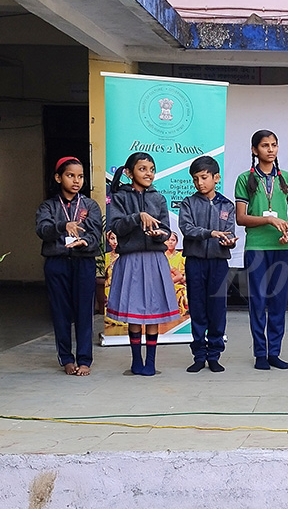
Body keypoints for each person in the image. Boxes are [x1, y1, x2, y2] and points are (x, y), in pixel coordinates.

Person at [107, 152, 180, 375]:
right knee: (135, 311)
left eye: (152, 169)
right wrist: (138, 216)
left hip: (155, 260)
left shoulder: (158, 198)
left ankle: (151, 362)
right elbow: (116, 227)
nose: (149, 173)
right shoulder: (119, 197)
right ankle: (136, 360)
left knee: (153, 311)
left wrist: (159, 234)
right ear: (129, 173)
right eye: (142, 169)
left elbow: (166, 230)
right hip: (131, 260)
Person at [235, 130, 288, 370]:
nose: (270, 149)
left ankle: (275, 352)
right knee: (258, 301)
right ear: (254, 150)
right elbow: (241, 218)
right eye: (265, 145)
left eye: (274, 145)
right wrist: (270, 220)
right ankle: (260, 353)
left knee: (279, 302)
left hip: (282, 247)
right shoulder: (245, 179)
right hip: (257, 247)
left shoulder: (287, 178)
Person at [35, 157, 103, 376]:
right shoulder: (48, 206)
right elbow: (42, 230)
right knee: (60, 312)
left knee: (84, 312)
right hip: (57, 263)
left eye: (80, 176)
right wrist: (63, 225)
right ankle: (66, 358)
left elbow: (95, 234)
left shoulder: (90, 205)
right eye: (70, 175)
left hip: (83, 262)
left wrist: (85, 242)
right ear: (58, 177)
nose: (76, 181)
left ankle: (84, 360)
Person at [179, 155, 238, 373]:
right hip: (195, 262)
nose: (200, 183)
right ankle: (198, 355)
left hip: (218, 263)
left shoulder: (227, 205)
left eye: (204, 177)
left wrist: (229, 242)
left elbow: (229, 233)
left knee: (217, 309)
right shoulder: (188, 203)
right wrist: (211, 233)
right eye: (195, 179)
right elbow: (187, 229)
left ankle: (214, 355)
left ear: (216, 178)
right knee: (197, 308)